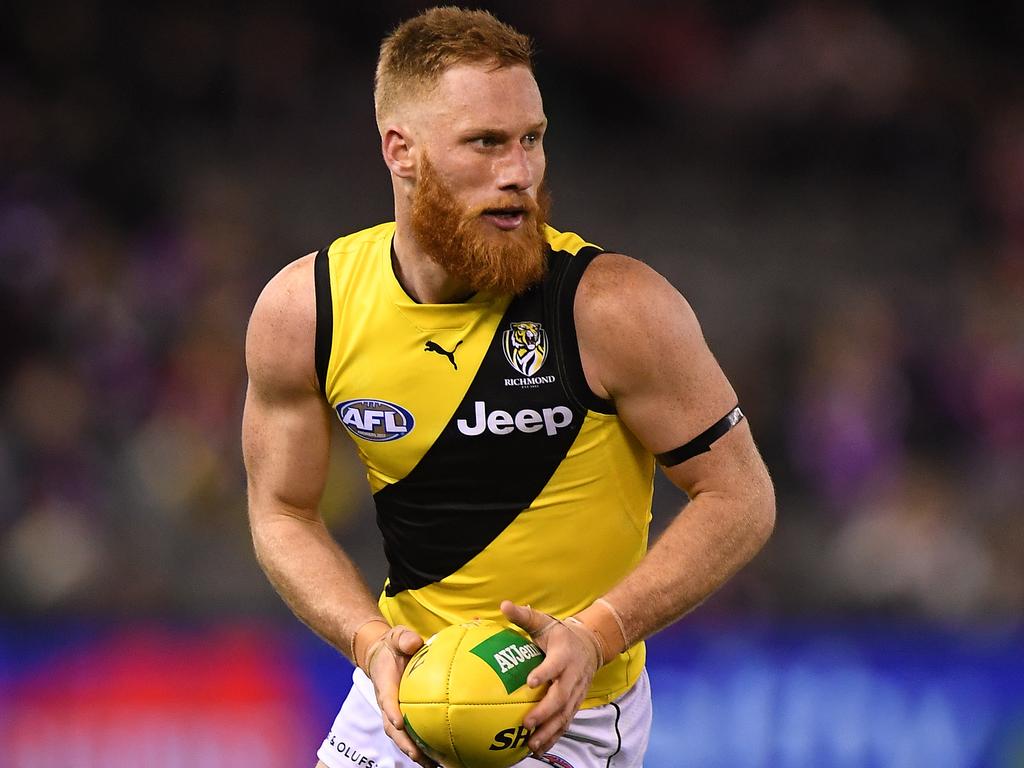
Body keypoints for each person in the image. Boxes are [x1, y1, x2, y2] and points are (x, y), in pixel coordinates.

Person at [242, 7, 775, 768]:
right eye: (486, 143)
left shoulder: (611, 307)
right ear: (402, 151)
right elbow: (282, 511)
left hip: (568, 708)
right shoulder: (308, 312)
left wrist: (600, 632)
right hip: (405, 695)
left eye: (532, 138)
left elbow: (741, 495)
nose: (519, 173)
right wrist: (367, 641)